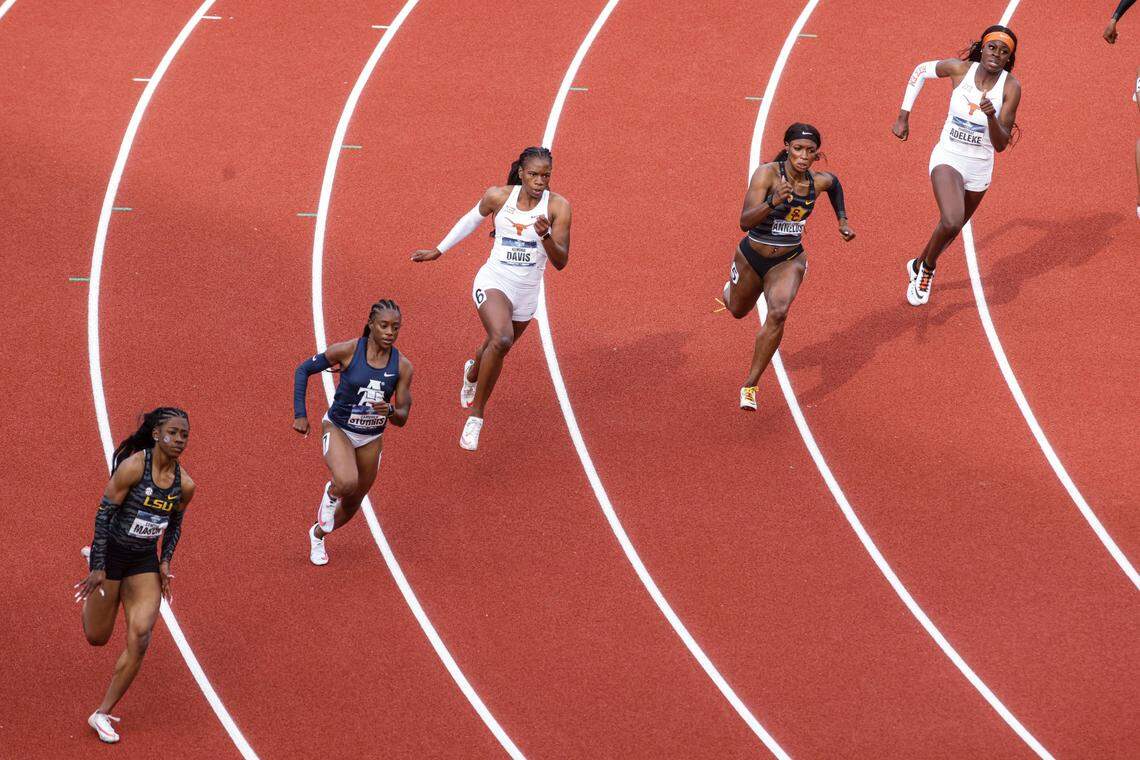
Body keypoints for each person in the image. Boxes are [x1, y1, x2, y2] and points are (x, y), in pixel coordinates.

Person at [411, 146, 571, 451]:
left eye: (546, 176)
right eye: (534, 174)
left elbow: (561, 262)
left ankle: (473, 370)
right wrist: (438, 250)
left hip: (526, 294)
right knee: (501, 339)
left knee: (495, 346)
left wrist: (545, 236)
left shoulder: (558, 208)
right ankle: (476, 417)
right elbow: (470, 220)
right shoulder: (499, 196)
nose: (540, 181)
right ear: (521, 173)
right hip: (494, 280)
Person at [74, 407, 195, 744]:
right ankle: (92, 566)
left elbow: (174, 525)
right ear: (156, 435)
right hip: (111, 554)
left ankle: (102, 712)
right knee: (96, 637)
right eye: (173, 432)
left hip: (143, 560)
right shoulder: (132, 468)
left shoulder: (184, 485)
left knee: (141, 637)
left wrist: (166, 562)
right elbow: (103, 516)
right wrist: (98, 565)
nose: (179, 440)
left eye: (184, 435)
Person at [721, 123, 855, 410]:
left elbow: (834, 185)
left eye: (810, 151)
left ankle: (751, 385)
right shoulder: (766, 174)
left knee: (779, 312)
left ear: (816, 155)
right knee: (737, 311)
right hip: (751, 256)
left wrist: (842, 220)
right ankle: (730, 291)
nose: (803, 156)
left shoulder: (817, 181)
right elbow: (745, 222)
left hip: (788, 260)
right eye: (797, 149)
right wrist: (772, 201)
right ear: (786, 147)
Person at [892, 25, 1022, 306]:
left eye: (1003, 52)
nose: (996, 54)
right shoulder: (960, 70)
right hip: (948, 156)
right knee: (951, 220)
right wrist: (904, 115)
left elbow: (1001, 145)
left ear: (1008, 59)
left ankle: (918, 263)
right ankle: (927, 269)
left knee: (953, 227)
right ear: (982, 48)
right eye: (992, 47)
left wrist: (991, 117)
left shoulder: (1010, 87)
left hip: (980, 166)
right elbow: (920, 71)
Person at [293, 299, 412, 565]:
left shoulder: (402, 366)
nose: (390, 332)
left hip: (371, 438)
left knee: (354, 501)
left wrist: (390, 412)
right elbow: (303, 370)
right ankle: (332, 492)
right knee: (346, 482)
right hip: (339, 428)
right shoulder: (349, 350)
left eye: (396, 327)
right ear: (371, 325)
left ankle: (317, 535)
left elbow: (403, 417)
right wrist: (300, 414)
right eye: (384, 326)